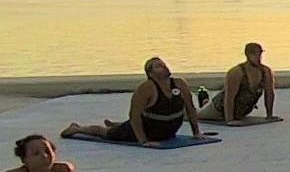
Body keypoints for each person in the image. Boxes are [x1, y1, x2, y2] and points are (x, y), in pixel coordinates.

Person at [61, 57, 203, 146]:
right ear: (151, 73)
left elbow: (190, 108)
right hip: (149, 131)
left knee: (123, 127)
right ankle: (78, 128)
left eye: (164, 64)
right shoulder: (146, 88)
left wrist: (196, 132)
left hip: (168, 130)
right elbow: (134, 116)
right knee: (107, 133)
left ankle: (118, 125)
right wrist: (143, 141)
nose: (164, 67)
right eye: (158, 66)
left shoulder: (180, 84)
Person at [199, 42, 276, 124]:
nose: (257, 57)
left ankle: (205, 102)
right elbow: (229, 98)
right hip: (219, 110)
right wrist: (230, 120)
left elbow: (269, 93)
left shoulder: (266, 72)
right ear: (247, 55)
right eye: (253, 54)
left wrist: (269, 115)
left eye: (259, 53)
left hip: (241, 111)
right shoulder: (237, 72)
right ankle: (203, 104)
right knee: (196, 115)